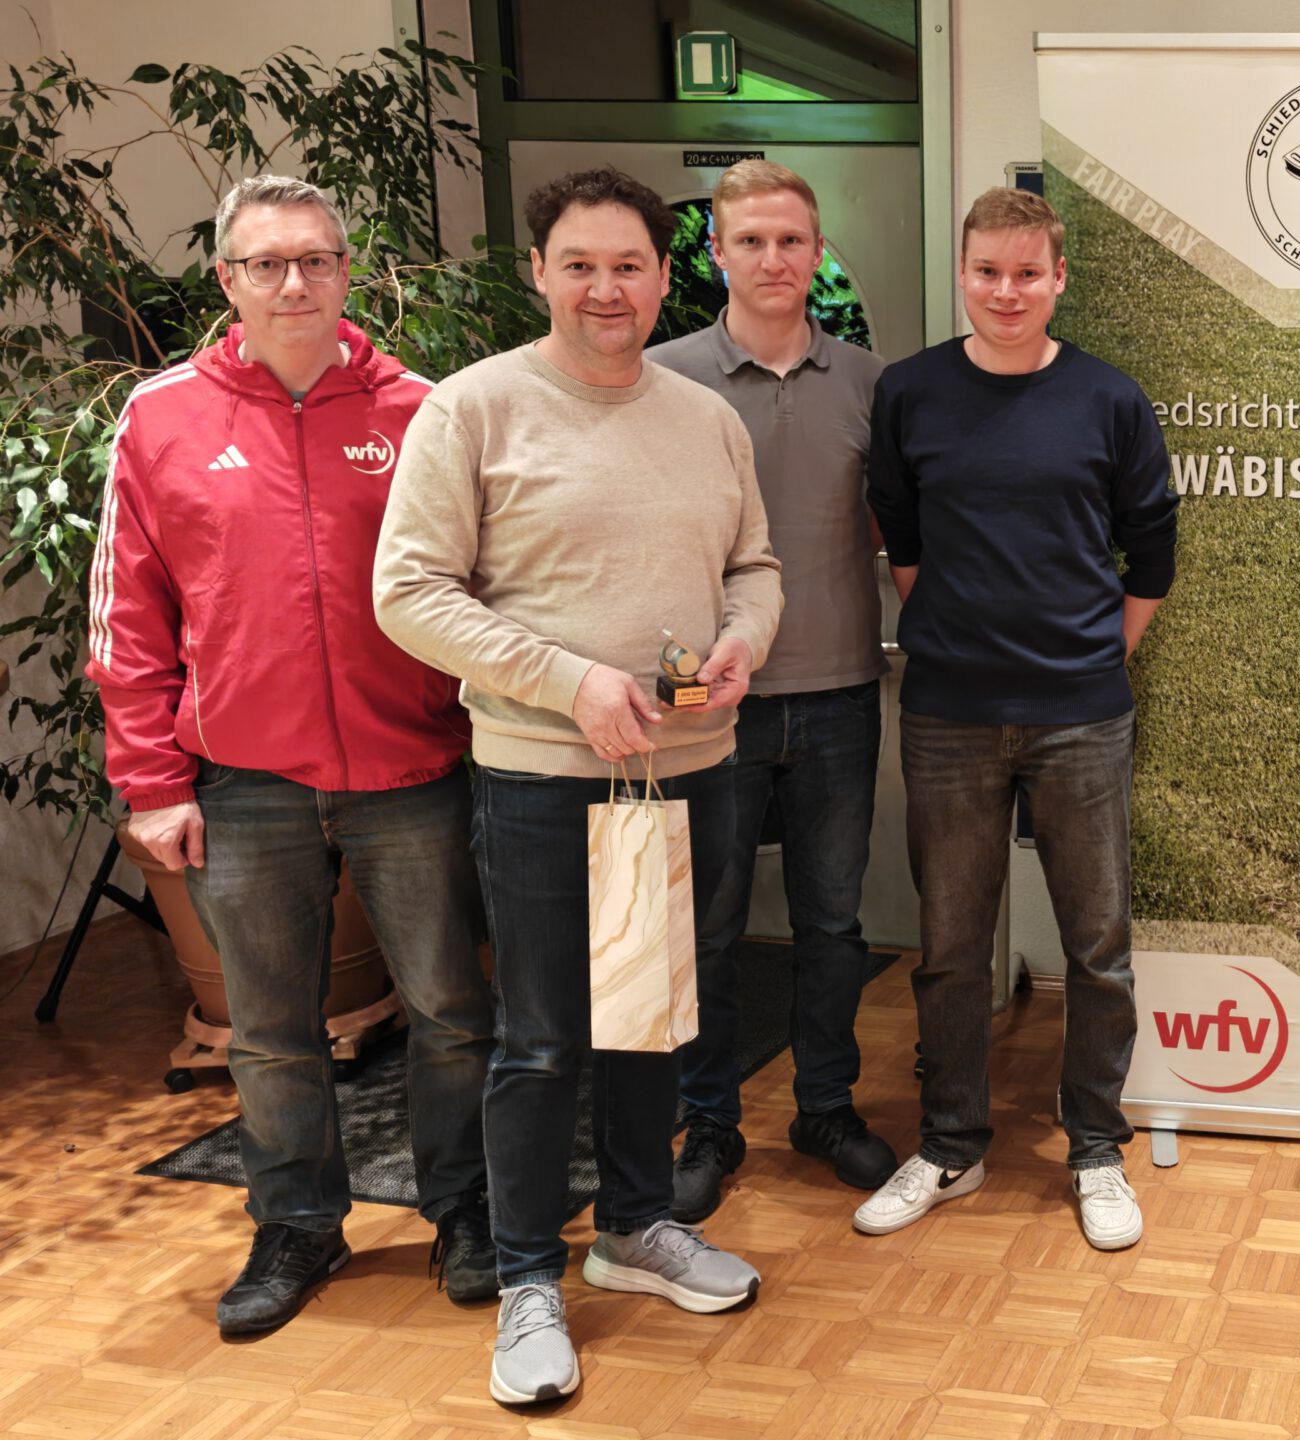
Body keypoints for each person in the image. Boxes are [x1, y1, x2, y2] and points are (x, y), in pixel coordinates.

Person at [374, 167, 781, 1405]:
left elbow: (754, 566)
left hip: (683, 771)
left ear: (664, 278)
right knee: (544, 1041)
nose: (607, 289)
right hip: (542, 779)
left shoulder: (705, 417)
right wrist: (567, 682)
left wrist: (742, 641)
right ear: (539, 272)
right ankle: (526, 1278)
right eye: (581, 265)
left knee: (648, 1017)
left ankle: (635, 1229)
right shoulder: (473, 408)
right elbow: (408, 593)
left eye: (629, 266)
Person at [86, 173, 497, 1336]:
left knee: (452, 1011)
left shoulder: (423, 411)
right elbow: (128, 615)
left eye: (315, 259)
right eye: (266, 263)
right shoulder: (162, 418)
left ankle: (463, 1208)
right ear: (227, 279)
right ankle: (298, 1224)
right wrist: (152, 784)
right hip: (245, 783)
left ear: (347, 271)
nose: (293, 283)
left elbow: (483, 586)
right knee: (268, 1032)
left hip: (415, 771)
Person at [855, 187, 1178, 1251]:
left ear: (1058, 279)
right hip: (948, 712)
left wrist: (1093, 654)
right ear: (963, 273)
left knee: (1098, 946)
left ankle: (1094, 1148)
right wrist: (960, 629)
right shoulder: (909, 391)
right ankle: (951, 1144)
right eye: (987, 272)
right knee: (951, 948)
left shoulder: (1109, 399)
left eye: (1026, 273)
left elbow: (1152, 548)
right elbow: (900, 536)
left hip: (1081, 713)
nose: (1006, 292)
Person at [648, 159, 895, 1221]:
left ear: (818, 250)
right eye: (749, 240)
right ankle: (707, 1124)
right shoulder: (662, 379)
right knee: (706, 929)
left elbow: (896, 528)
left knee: (832, 925)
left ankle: (825, 1108)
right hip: (707, 704)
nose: (773, 258)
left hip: (840, 692)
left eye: (791, 240)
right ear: (715, 254)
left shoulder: (874, 384)